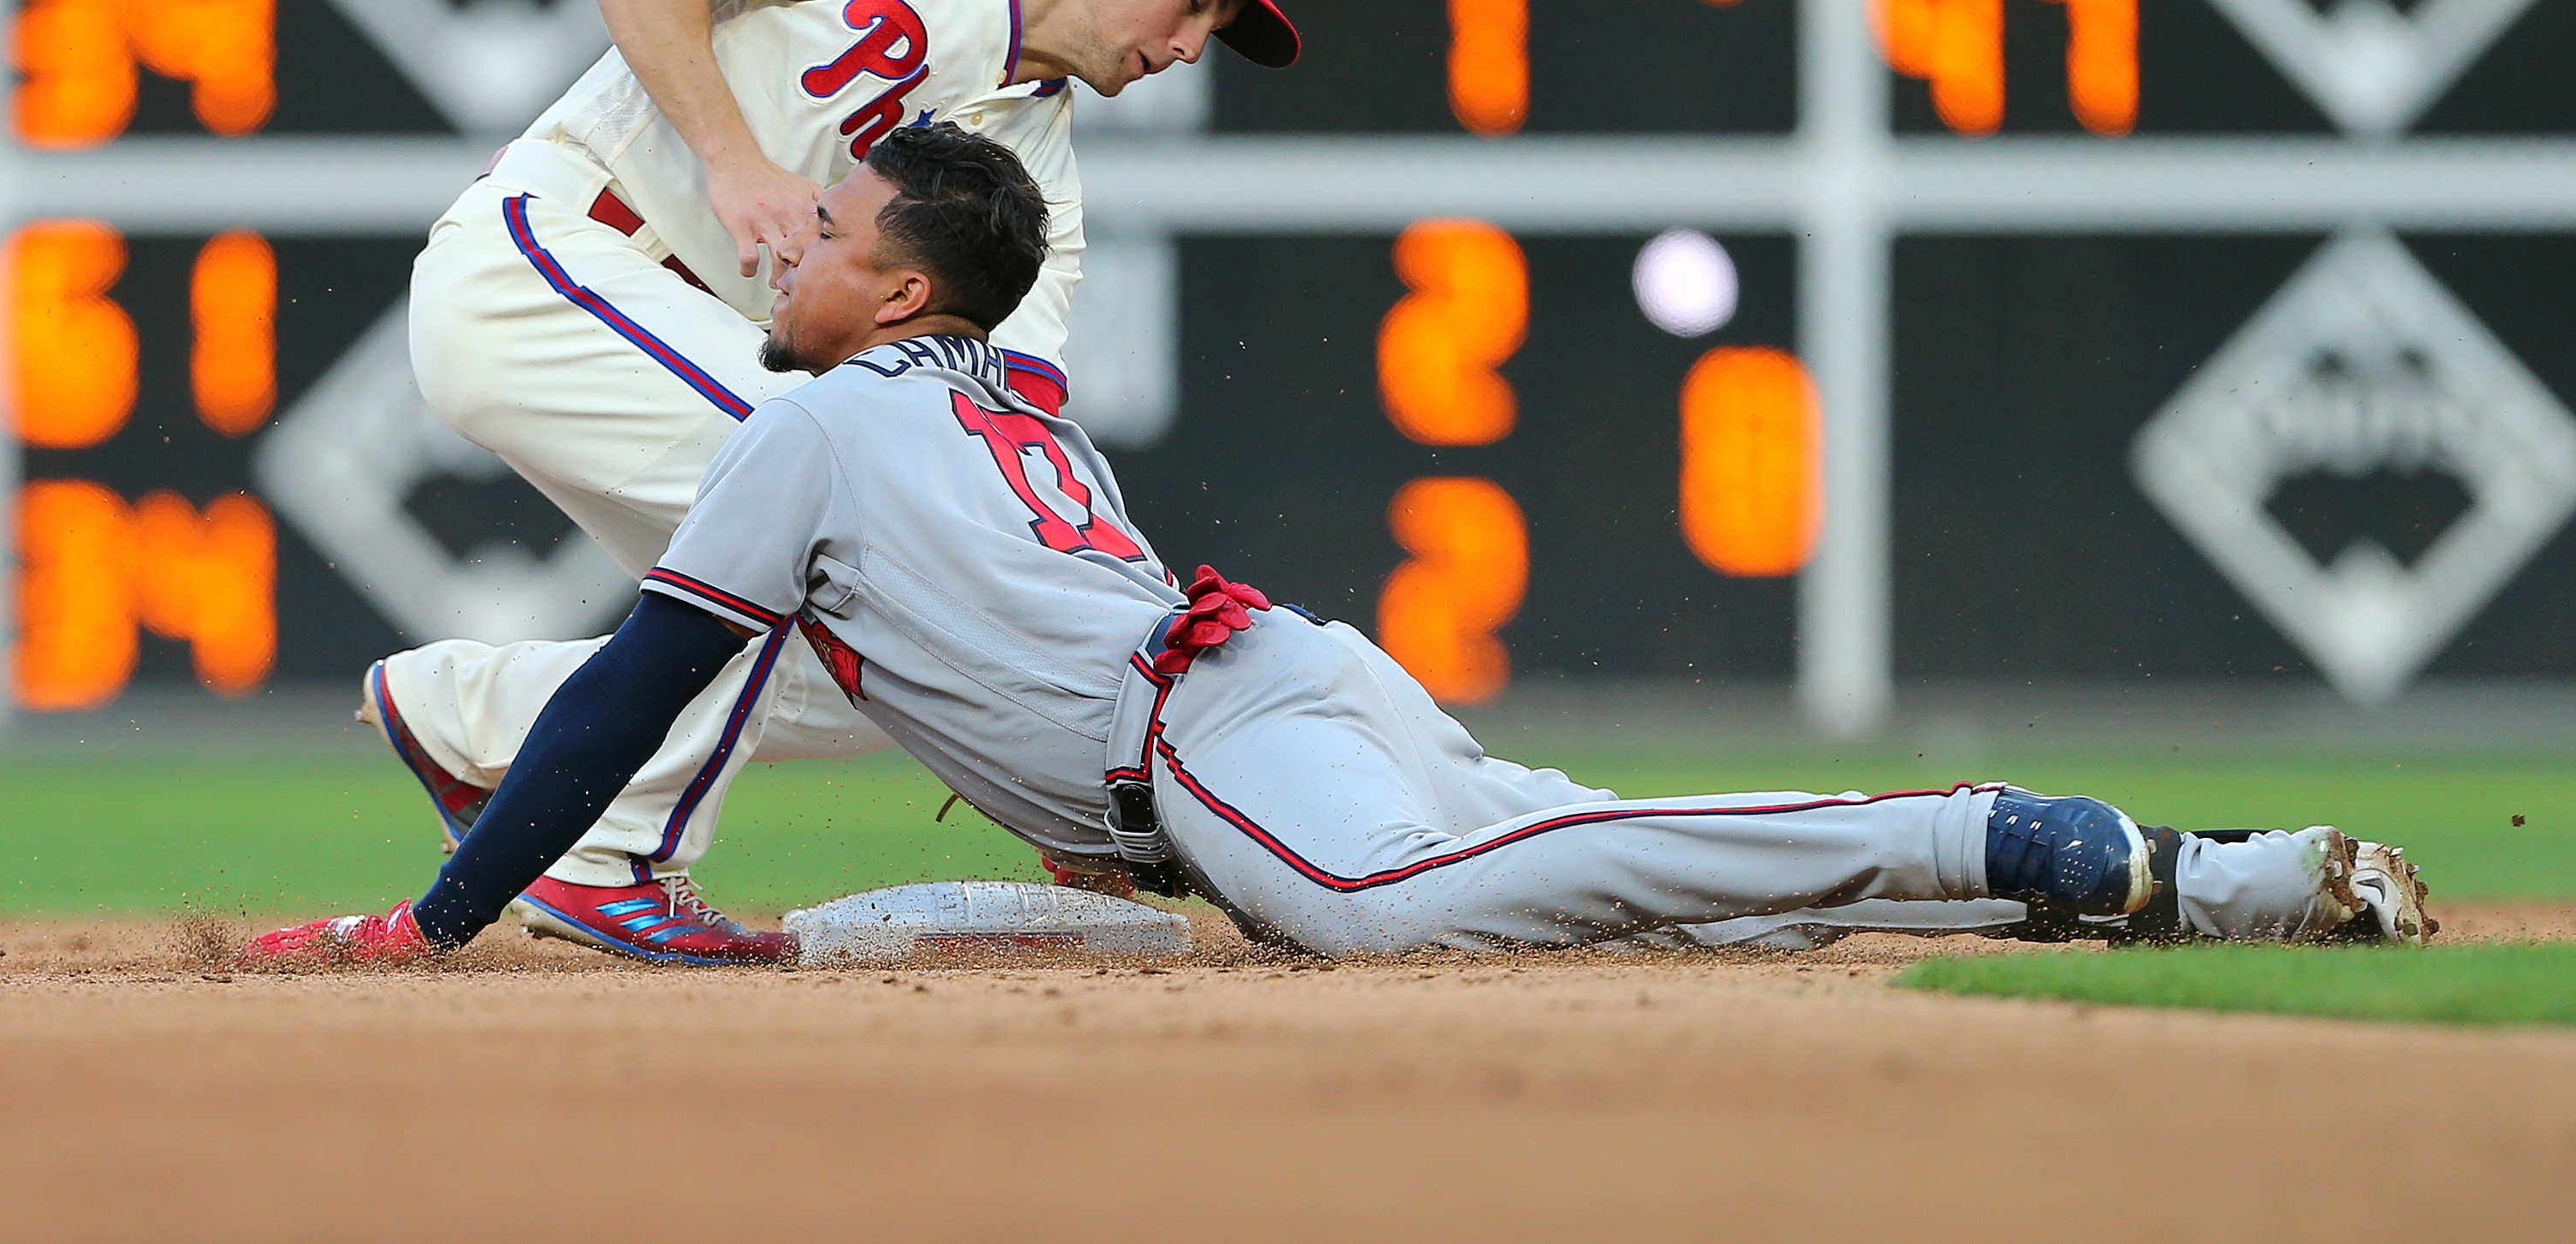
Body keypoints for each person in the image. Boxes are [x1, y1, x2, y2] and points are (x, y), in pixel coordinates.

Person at [251, 123, 2434, 967]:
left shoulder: (812, 416)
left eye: (824, 233)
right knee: (1641, 907)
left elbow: (637, 683)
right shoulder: (993, 390)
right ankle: (2216, 877)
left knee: (1392, 916)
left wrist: (445, 918)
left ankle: (1993, 829)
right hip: (1276, 692)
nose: (791, 246)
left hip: (1206, 737)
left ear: (900, 293)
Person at [368, 0, 1298, 962]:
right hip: (547, 256)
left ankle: (480, 723)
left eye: (1211, 30)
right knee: (824, 497)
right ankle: (605, 852)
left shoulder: (1028, 190)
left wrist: (1102, 691)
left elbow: (997, 437)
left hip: (668, 341)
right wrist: (733, 155)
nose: (1191, 43)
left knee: (875, 649)